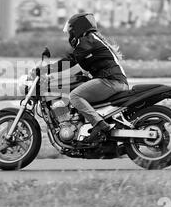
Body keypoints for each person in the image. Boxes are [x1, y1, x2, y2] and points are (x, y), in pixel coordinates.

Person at [45, 12, 130, 143]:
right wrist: (56, 77)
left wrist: (47, 69)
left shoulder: (87, 41)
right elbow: (81, 70)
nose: (70, 35)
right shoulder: (93, 40)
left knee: (74, 96)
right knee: (77, 92)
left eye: (71, 31)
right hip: (115, 81)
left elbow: (72, 59)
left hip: (111, 81)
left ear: (77, 29)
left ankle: (99, 126)